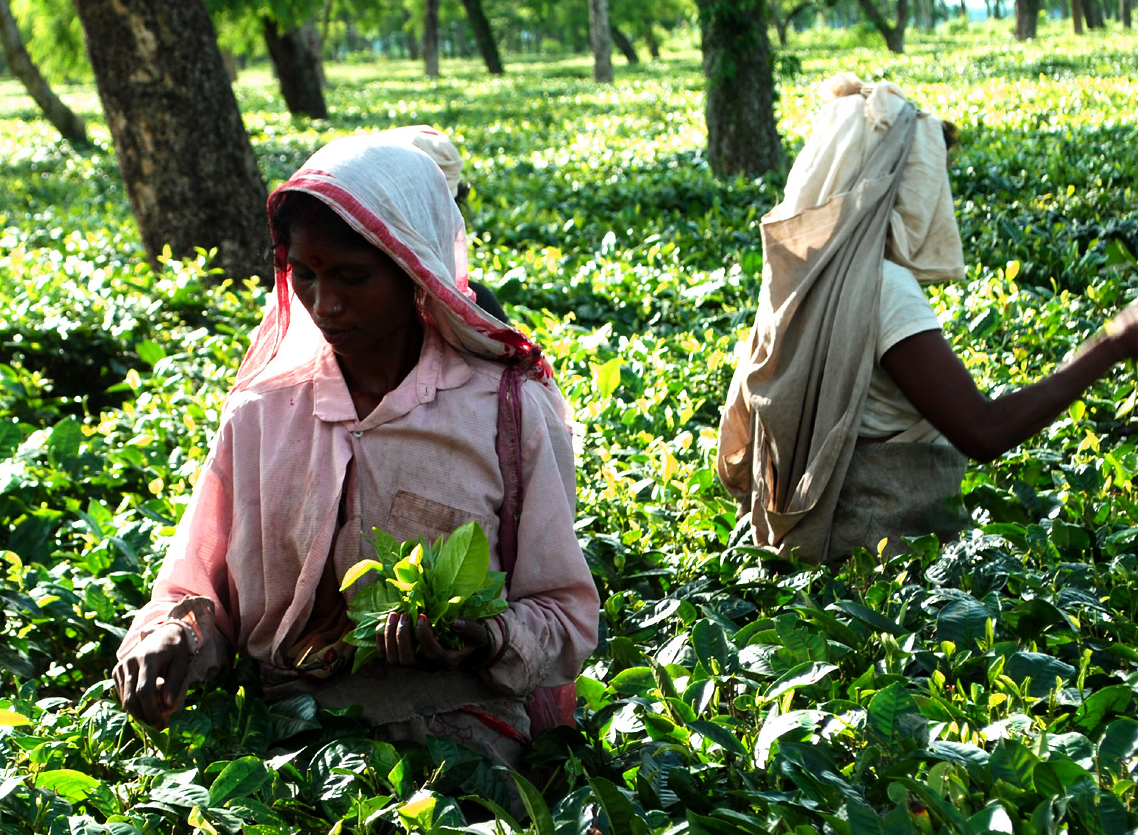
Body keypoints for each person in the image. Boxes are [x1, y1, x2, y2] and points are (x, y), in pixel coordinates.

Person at [112, 132, 599, 766]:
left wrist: (480, 639)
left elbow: (566, 615)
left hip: (460, 739)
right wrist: (168, 637)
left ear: (413, 267)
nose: (326, 304)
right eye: (304, 275)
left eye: (352, 276)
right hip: (283, 736)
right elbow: (193, 591)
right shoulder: (262, 414)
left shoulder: (505, 411)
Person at [717, 73, 1138, 563]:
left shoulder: (800, 279)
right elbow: (983, 431)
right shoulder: (879, 288)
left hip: (813, 549)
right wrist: (1114, 343)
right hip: (883, 562)